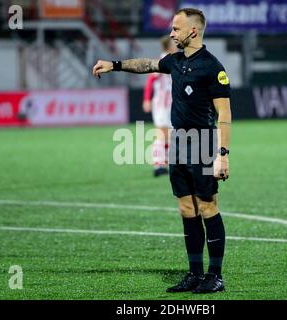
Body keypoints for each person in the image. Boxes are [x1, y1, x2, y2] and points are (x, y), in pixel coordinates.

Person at [92, 7, 231, 294]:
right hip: (179, 143)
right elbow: (147, 64)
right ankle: (194, 273)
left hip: (204, 142)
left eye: (176, 29)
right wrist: (115, 64)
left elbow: (225, 115)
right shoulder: (175, 62)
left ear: (193, 31)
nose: (171, 33)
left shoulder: (213, 68)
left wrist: (223, 154)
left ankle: (215, 276)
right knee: (185, 208)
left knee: (207, 207)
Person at [142, 36, 178, 177]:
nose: (176, 45)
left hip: (171, 103)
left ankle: (164, 163)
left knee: (169, 133)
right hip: (162, 103)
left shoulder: (174, 60)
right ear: (168, 46)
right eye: (174, 44)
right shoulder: (163, 61)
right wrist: (147, 99)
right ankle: (158, 165)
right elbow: (151, 79)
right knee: (162, 133)